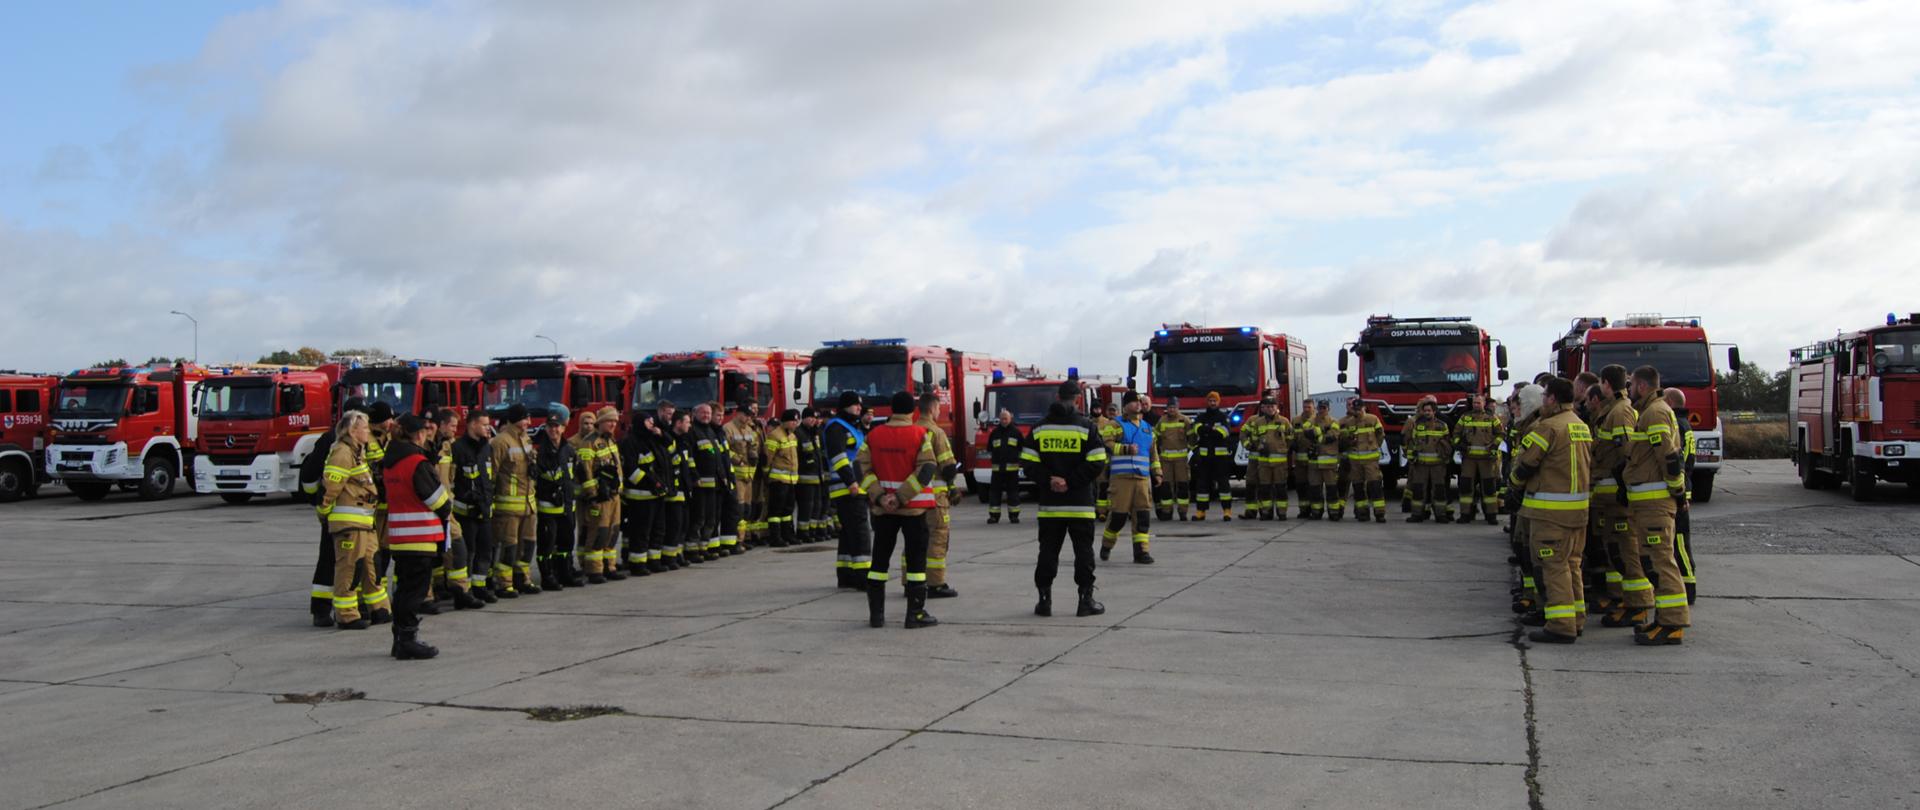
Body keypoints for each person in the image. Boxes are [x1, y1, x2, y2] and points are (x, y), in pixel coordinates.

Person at [1512, 377, 1593, 644]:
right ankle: (1576, 618)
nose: (1543, 399)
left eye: (1546, 395)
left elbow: (1525, 465)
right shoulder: (1580, 425)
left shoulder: (1548, 428)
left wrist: (1512, 486)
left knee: (1553, 567)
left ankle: (1560, 625)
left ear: (1552, 399)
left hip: (1550, 514)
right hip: (1578, 511)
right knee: (1572, 565)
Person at [1021, 380, 1109, 618]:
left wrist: (1050, 480)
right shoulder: (1086, 427)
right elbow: (1098, 461)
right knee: (1084, 553)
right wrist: (1071, 481)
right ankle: (1085, 601)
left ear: (1057, 397)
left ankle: (1044, 601)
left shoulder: (1039, 428)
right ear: (1077, 399)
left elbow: (1027, 462)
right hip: (1080, 504)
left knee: (1048, 552)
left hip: (1051, 505)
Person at [855, 391, 942, 629]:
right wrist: (901, 497)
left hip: (883, 512)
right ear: (912, 411)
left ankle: (876, 616)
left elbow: (860, 467)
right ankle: (915, 614)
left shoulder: (874, 435)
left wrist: (881, 497)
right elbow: (926, 469)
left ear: (892, 409)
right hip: (913, 511)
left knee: (879, 561)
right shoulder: (919, 434)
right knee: (915, 563)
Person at [1621, 366, 1692, 646]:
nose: (1627, 391)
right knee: (1653, 562)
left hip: (1655, 503)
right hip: (1647, 503)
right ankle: (1664, 619)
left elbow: (1670, 457)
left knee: (1662, 562)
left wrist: (1678, 491)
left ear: (1641, 386)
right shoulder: (1652, 411)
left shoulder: (1655, 413)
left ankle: (1672, 624)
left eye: (1631, 386)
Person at [381, 413, 453, 660]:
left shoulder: (391, 460)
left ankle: (400, 638)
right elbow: (439, 501)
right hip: (420, 536)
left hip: (400, 536)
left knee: (403, 590)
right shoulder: (415, 462)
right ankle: (408, 640)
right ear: (419, 434)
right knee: (415, 592)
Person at [317, 410, 389, 629]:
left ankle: (380, 610)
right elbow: (331, 488)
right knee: (349, 569)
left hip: (365, 523)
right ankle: (347, 615)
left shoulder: (358, 452)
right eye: (364, 428)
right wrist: (325, 513)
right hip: (350, 524)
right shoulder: (342, 452)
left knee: (371, 567)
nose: (368, 431)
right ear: (352, 430)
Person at [300, 396, 363, 626]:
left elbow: (308, 475)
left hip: (335, 512)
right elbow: (311, 476)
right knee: (344, 562)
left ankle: (321, 610)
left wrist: (314, 499)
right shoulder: (340, 444)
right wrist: (319, 500)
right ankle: (338, 609)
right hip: (342, 511)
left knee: (329, 561)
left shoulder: (329, 439)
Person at [1586, 365, 1638, 621]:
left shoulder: (1620, 411)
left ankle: (1635, 604)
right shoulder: (1612, 410)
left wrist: (1623, 486)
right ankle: (1619, 597)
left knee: (1624, 549)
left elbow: (1626, 452)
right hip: (1605, 492)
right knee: (1613, 549)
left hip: (1615, 491)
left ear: (1606, 384)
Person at [427, 408, 481, 610]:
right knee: (429, 554)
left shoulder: (448, 447)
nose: (454, 430)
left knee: (457, 547)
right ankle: (429, 594)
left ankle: (459, 591)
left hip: (445, 506)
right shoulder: (426, 447)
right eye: (452, 426)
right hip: (429, 507)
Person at [912, 391, 961, 599]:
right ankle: (935, 583)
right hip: (935, 497)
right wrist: (953, 485)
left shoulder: (911, 431)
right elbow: (948, 467)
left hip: (912, 496)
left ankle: (911, 582)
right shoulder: (936, 432)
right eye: (938, 408)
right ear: (932, 409)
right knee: (937, 538)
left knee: (914, 539)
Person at [1102, 392, 1160, 564]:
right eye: (1133, 402)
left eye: (1139, 402)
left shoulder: (1147, 428)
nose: (1138, 404)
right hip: (1122, 479)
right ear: (1125, 406)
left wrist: (1157, 473)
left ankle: (1141, 552)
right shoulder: (1115, 425)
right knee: (1118, 517)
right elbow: (1107, 443)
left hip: (1142, 480)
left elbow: (1153, 453)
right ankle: (1107, 545)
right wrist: (1125, 449)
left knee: (1142, 517)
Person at [487, 403, 537, 598]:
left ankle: (522, 578)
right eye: (525, 419)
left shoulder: (525, 439)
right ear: (517, 419)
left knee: (527, 546)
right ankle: (504, 583)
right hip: (508, 507)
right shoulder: (501, 442)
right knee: (508, 547)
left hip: (528, 505)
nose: (529, 423)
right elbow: (492, 474)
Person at [825, 391, 873, 587]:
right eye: (856, 405)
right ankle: (862, 576)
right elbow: (839, 458)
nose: (859, 408)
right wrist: (851, 482)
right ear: (845, 406)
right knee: (861, 532)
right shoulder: (837, 427)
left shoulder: (852, 427)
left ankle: (846, 574)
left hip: (852, 487)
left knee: (848, 533)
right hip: (848, 488)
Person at [450, 409, 497, 603]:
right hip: (465, 513)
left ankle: (480, 587)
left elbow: (489, 478)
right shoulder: (458, 448)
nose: (489, 428)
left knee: (485, 550)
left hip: (484, 510)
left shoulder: (487, 448)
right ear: (472, 425)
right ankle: (464, 592)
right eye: (485, 424)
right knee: (467, 553)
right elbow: (453, 481)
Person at [575, 407, 626, 581]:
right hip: (600, 497)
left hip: (614, 495)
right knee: (598, 533)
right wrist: (592, 495)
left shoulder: (611, 441)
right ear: (600, 422)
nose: (613, 424)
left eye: (615, 421)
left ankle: (609, 567)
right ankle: (594, 570)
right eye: (609, 421)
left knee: (613, 532)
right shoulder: (589, 442)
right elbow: (585, 471)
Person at [532, 405, 578, 589]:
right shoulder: (539, 451)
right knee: (547, 544)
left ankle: (565, 573)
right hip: (548, 507)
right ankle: (548, 577)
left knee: (566, 542)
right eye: (550, 426)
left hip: (567, 505)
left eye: (557, 426)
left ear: (563, 428)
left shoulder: (569, 449)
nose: (553, 430)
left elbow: (573, 474)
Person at [619, 412, 664, 574]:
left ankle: (653, 561)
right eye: (648, 421)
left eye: (652, 421)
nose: (652, 424)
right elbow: (631, 470)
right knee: (640, 532)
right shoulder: (630, 442)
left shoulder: (651, 440)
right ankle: (637, 564)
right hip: (639, 496)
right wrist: (652, 482)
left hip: (655, 494)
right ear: (639, 423)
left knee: (656, 530)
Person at [1665, 388, 1698, 604]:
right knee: (1679, 540)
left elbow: (1680, 461)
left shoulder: (1678, 425)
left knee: (1679, 541)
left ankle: (1688, 586)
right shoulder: (1685, 424)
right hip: (1684, 487)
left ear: (1669, 401)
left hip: (1680, 489)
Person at [1453, 393, 1505, 525]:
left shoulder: (1492, 418)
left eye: (1479, 403)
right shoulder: (1465, 418)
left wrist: (1494, 446)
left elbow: (1501, 434)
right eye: (1474, 403)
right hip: (1468, 459)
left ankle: (1491, 515)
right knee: (1466, 487)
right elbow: (1456, 433)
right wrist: (1460, 444)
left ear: (1483, 404)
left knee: (1489, 488)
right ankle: (1465, 514)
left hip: (1486, 459)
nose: (1476, 405)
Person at [1240, 396, 1292, 521]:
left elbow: (1290, 439)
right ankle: (1266, 512)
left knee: (1280, 488)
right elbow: (1251, 437)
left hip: (1279, 463)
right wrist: (1255, 447)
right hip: (1263, 462)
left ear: (1276, 408)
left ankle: (1282, 512)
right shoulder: (1257, 422)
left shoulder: (1284, 421)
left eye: (1272, 406)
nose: (1269, 409)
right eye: (1267, 407)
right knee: (1265, 488)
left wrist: (1284, 450)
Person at [1404, 396, 1454, 523]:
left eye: (1429, 411)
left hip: (1438, 465)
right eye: (1425, 410)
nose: (1427, 413)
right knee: (1419, 490)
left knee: (1439, 490)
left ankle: (1440, 515)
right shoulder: (1417, 425)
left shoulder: (1443, 426)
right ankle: (1416, 514)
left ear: (1434, 412)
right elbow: (1412, 443)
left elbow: (1448, 444)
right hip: (1420, 465)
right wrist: (1411, 458)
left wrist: (1446, 459)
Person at [1339, 402, 1388, 523]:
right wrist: (1349, 440)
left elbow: (1380, 435)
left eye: (1359, 409)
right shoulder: (1349, 422)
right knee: (1358, 487)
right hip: (1355, 461)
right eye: (1355, 409)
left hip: (1370, 460)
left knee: (1375, 485)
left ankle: (1379, 513)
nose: (1357, 412)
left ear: (1364, 408)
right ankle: (1362, 513)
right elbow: (1344, 439)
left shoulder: (1373, 419)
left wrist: (1374, 447)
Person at [1190, 392, 1234, 521]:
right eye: (1210, 401)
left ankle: (1227, 511)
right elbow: (1197, 429)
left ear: (1218, 402)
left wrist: (1207, 430)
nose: (1212, 403)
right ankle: (1200, 511)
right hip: (1204, 458)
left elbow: (1224, 432)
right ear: (1207, 402)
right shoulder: (1201, 416)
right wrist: (1212, 430)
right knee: (1202, 485)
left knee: (1223, 485)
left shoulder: (1223, 417)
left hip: (1220, 458)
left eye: (1215, 401)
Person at [725, 403, 764, 547]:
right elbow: (725, 449)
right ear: (738, 413)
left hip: (749, 476)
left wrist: (754, 453)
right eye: (746, 415)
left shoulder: (749, 429)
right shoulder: (728, 428)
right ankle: (735, 540)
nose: (748, 418)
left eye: (749, 416)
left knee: (747, 509)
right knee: (738, 509)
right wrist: (738, 459)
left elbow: (754, 445)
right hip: (737, 475)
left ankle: (743, 539)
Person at [763, 409, 802, 547]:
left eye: (797, 421)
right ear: (785, 422)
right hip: (778, 479)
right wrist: (766, 475)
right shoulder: (775, 436)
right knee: (776, 511)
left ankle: (788, 535)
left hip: (791, 479)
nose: (795, 423)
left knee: (788, 510)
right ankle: (775, 537)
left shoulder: (792, 436)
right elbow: (767, 458)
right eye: (793, 421)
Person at [1303, 400, 1341, 520]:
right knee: (1315, 489)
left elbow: (1332, 437)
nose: (1322, 410)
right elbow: (1306, 432)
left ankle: (1334, 512)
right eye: (1320, 408)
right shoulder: (1311, 421)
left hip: (1329, 464)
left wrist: (1317, 435)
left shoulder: (1334, 421)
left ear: (1328, 409)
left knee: (1331, 489)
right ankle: (1316, 512)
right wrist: (1323, 430)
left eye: (1324, 408)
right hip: (1314, 464)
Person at [1153, 402, 1192, 521]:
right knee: (1165, 486)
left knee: (1182, 485)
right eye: (1169, 408)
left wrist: (1189, 452)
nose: (1171, 410)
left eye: (1173, 407)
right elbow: (1155, 437)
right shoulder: (1162, 421)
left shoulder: (1185, 420)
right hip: (1165, 460)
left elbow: (1192, 438)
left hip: (1181, 460)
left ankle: (1183, 511)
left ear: (1178, 408)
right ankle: (1167, 511)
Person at [985, 409, 1024, 524]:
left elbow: (1022, 449)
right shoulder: (994, 433)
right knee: (994, 493)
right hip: (997, 470)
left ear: (1010, 419)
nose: (1004, 420)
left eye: (1006, 418)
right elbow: (989, 449)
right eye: (1002, 418)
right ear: (999, 419)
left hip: (1012, 470)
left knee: (1013, 493)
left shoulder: (1017, 433)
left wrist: (1020, 462)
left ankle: (1014, 516)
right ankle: (994, 516)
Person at [795, 408, 827, 542]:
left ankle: (813, 531)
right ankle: (803, 532)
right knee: (806, 507)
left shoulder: (815, 433)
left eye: (815, 418)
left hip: (817, 476)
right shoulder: (799, 433)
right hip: (805, 477)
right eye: (810, 418)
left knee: (817, 506)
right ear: (804, 418)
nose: (813, 420)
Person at [1093, 402, 1121, 522]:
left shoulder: (1121, 425)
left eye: (1114, 411)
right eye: (1110, 410)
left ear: (1118, 412)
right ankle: (1102, 512)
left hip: (1117, 460)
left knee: (1117, 487)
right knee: (1103, 486)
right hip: (1104, 461)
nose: (1112, 413)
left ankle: (1117, 511)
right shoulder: (1102, 423)